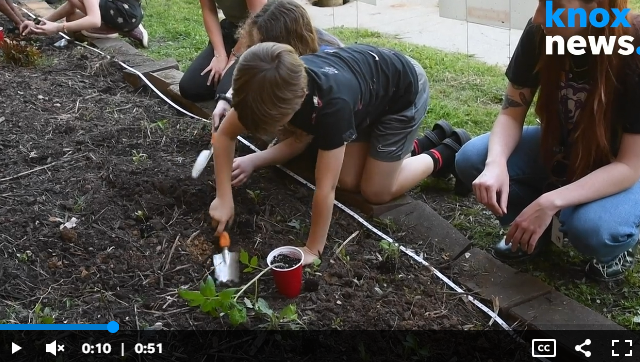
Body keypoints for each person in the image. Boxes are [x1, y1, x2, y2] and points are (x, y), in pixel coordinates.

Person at [209, 42, 471, 265]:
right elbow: (225, 135)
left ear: (298, 103)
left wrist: (312, 249)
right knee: (349, 180)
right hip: (366, 95)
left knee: (375, 190)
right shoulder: (264, 89)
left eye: (276, 123)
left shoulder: (330, 109)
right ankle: (426, 141)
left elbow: (325, 189)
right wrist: (224, 196)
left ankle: (447, 150)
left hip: (402, 95)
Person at [454, 0, 640, 282]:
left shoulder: (632, 46)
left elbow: (629, 166)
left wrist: (551, 201)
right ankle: (528, 230)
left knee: (593, 229)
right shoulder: (540, 32)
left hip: (624, 166)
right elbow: (510, 113)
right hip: (567, 148)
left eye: (554, 5)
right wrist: (495, 164)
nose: (539, 17)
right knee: (473, 160)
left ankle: (617, 248)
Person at [210, 0, 344, 131]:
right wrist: (226, 99)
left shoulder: (321, 64)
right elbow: (254, 67)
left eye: (262, 44)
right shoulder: (286, 51)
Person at [178, 0, 270, 102]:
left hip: (262, 32)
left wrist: (234, 56)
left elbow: (257, 17)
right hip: (233, 29)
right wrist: (220, 54)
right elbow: (208, 10)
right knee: (191, 88)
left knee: (224, 95)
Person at [19, 0, 148, 48]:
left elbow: (94, 20)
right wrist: (37, 24)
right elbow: (71, 5)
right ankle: (124, 27)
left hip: (125, 14)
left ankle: (111, 28)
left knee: (85, 22)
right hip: (132, 11)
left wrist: (58, 28)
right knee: (72, 18)